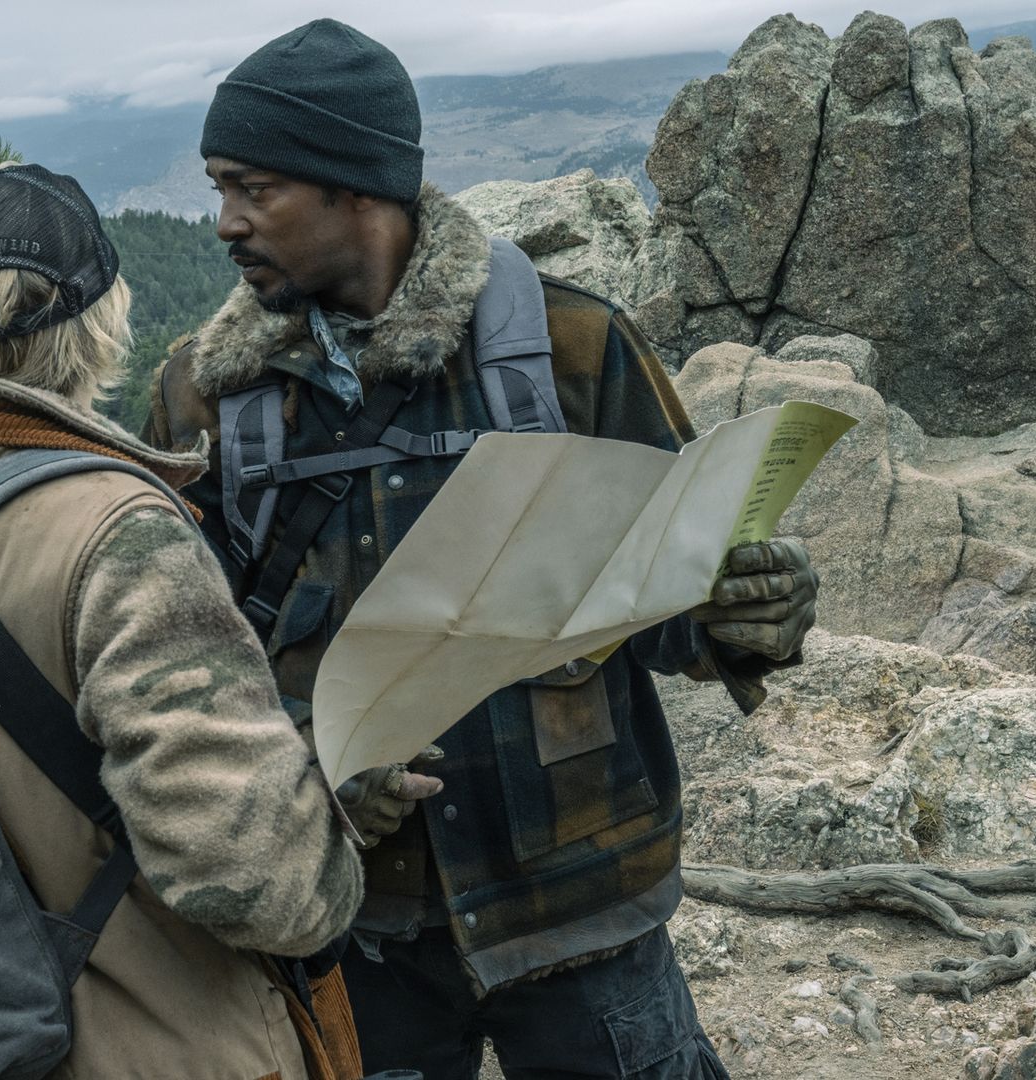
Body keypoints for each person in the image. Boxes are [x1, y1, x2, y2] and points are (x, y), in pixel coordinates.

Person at [142, 19, 820, 1080]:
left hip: (582, 908)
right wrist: (309, 770)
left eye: (254, 189)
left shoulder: (570, 349)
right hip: (357, 923)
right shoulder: (205, 400)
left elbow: (669, 598)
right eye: (220, 187)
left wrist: (749, 615)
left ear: (359, 187)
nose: (225, 221)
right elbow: (184, 668)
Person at [0, 162, 366, 1079]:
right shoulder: (121, 533)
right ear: (104, 318)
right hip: (150, 1043)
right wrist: (334, 843)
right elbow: (259, 880)